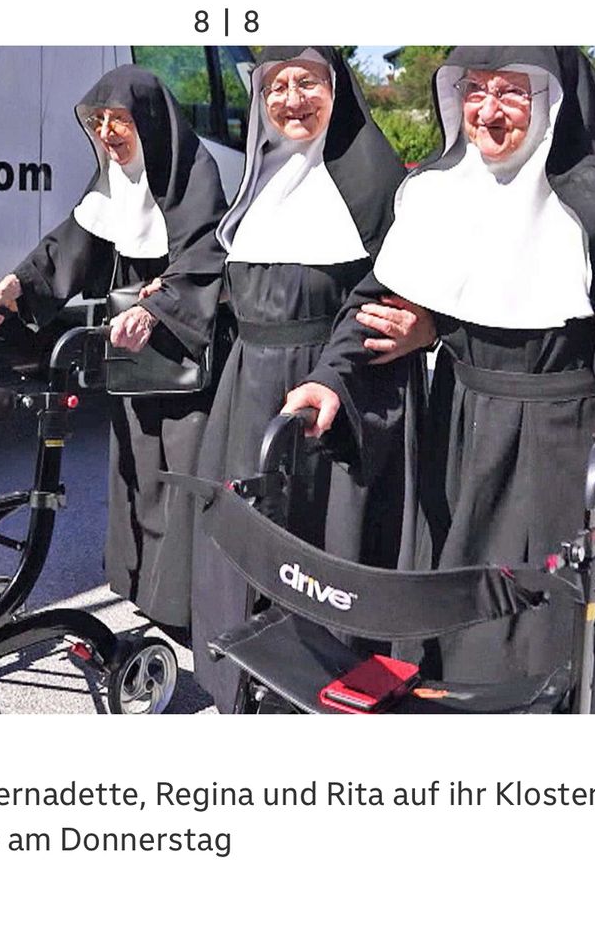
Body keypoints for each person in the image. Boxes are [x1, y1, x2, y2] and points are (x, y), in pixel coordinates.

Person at [285, 46, 595, 710]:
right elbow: (384, 298)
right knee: (446, 615)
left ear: (553, 99)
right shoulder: (442, 189)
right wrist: (330, 377)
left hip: (563, 436)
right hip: (453, 430)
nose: (488, 113)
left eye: (511, 93)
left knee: (544, 636)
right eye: (475, 90)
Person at [191, 46, 414, 713]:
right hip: (246, 385)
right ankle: (238, 678)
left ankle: (320, 688)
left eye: (307, 83)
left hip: (334, 390)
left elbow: (386, 293)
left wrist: (332, 376)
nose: (291, 99)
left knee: (323, 541)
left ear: (337, 89)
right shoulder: (256, 177)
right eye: (277, 86)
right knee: (242, 529)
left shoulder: (373, 183)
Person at [0, 66, 227, 628]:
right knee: (136, 472)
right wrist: (12, 287)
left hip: (183, 360)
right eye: (97, 121)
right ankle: (144, 597)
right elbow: (67, 245)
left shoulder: (195, 174)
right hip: (130, 357)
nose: (107, 131)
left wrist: (157, 308)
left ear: (151, 123)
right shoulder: (114, 183)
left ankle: (188, 609)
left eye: (121, 119)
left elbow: (206, 260)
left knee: (179, 479)